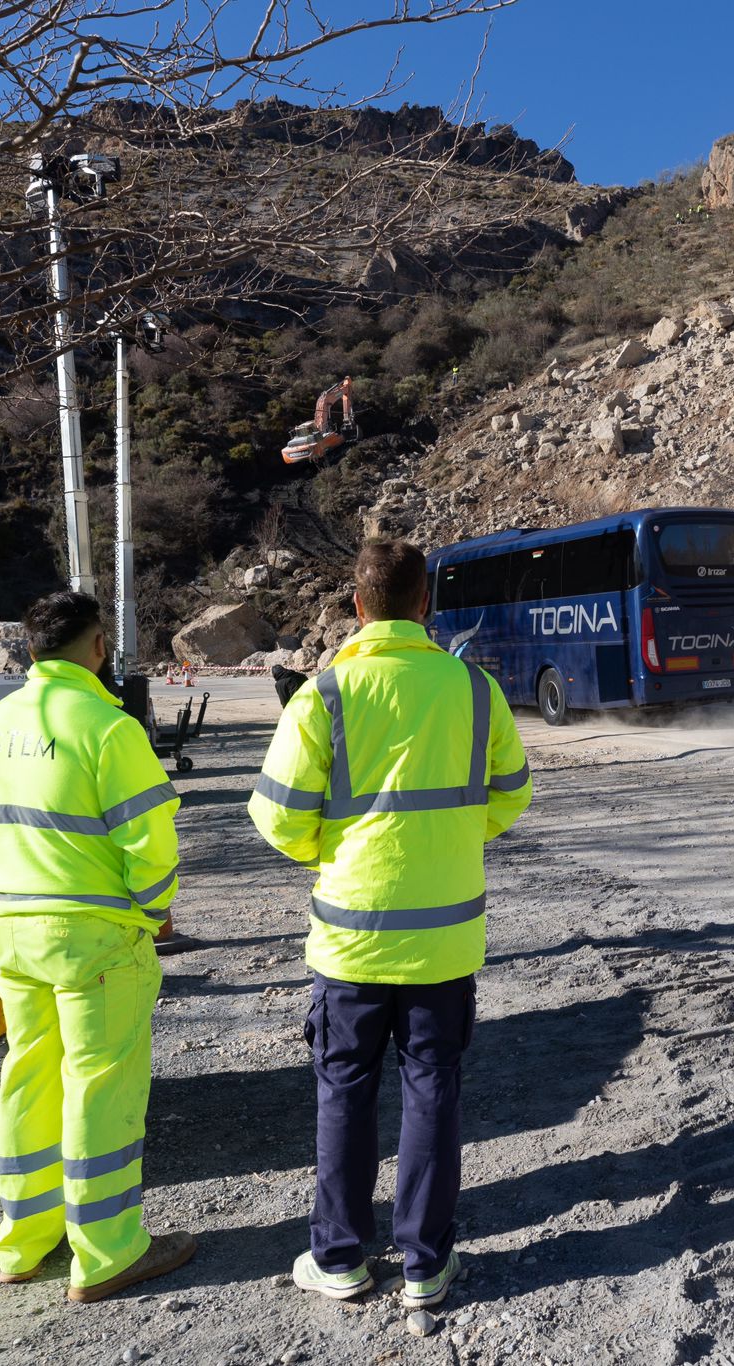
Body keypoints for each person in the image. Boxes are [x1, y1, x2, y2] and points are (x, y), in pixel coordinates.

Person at [249, 540, 530, 1309]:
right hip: (443, 939)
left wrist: (328, 854)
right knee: (433, 1088)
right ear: (426, 604)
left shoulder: (326, 694)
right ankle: (423, 1264)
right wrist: (452, 843)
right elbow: (511, 795)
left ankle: (338, 1257)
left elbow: (275, 817)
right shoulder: (474, 690)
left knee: (344, 1088)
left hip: (350, 934)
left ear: (357, 604)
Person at [0, 590, 195, 1303]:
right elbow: (151, 842)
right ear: (96, 649)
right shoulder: (109, 730)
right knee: (101, 1085)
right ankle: (108, 1252)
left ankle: (24, 1243)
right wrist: (150, 914)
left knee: (29, 1078)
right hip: (93, 938)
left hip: (9, 929)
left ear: (31, 650)